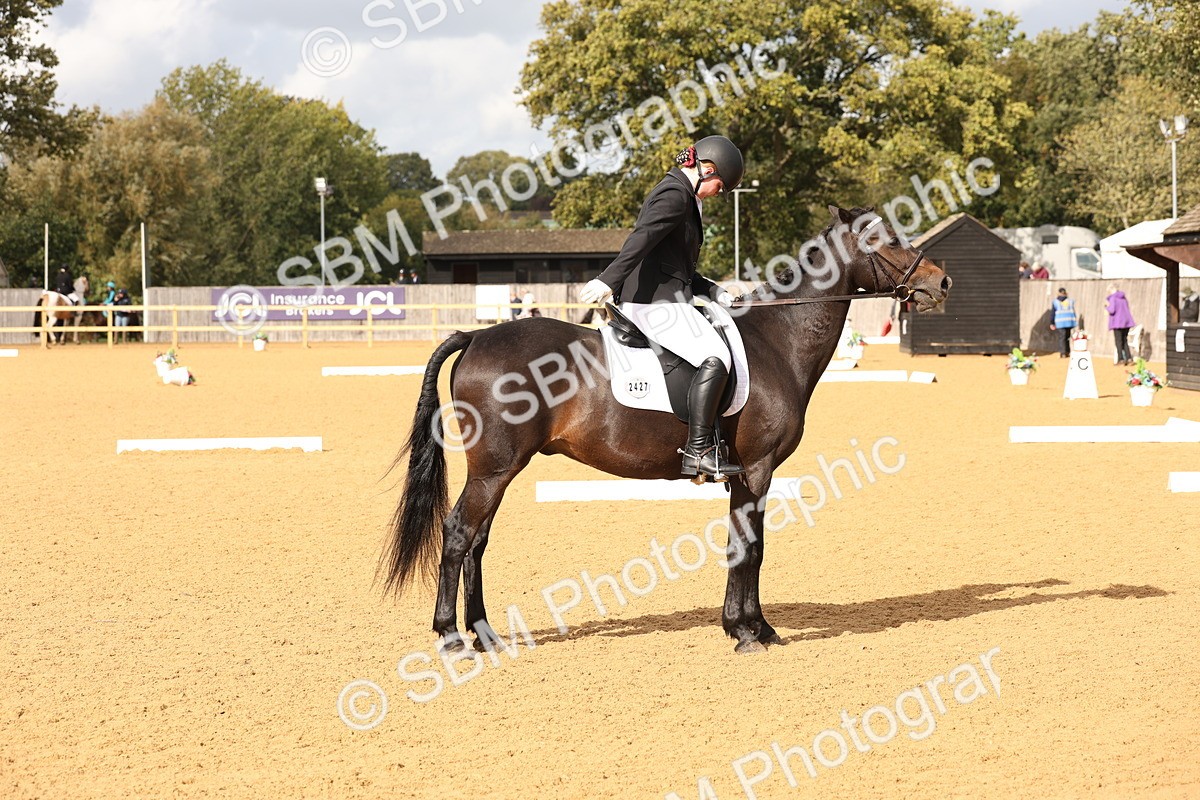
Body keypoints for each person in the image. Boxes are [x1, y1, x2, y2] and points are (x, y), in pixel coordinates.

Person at [578, 134, 744, 479]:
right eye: (721, 187)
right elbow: (643, 238)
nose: (719, 195)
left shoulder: (684, 196)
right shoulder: (675, 194)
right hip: (652, 305)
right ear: (707, 169)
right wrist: (609, 279)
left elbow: (678, 270)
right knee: (716, 357)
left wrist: (716, 293)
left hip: (667, 299)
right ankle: (699, 451)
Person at [1105, 284, 1136, 365]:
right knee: (1125, 341)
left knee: (1118, 342)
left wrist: (1106, 307)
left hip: (1117, 323)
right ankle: (1129, 359)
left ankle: (1121, 360)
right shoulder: (1123, 298)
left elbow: (1112, 310)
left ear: (1111, 290)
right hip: (1126, 322)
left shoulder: (1113, 298)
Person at [1050, 287, 1077, 357]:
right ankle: (1067, 351)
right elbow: (1073, 312)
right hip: (1069, 322)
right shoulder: (1070, 301)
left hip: (1060, 323)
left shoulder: (1055, 302)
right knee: (1067, 337)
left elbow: (1053, 313)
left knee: (1062, 338)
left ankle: (1063, 352)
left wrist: (1052, 323)